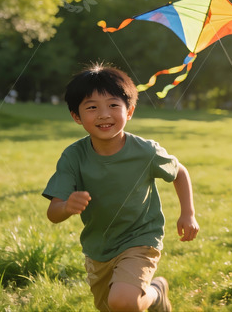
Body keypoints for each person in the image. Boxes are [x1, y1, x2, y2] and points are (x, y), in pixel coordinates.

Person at [42, 63, 199, 312]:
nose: (104, 114)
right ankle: (156, 294)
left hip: (141, 237)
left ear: (130, 111)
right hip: (98, 247)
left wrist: (188, 213)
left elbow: (179, 172)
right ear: (76, 116)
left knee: (123, 301)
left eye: (114, 105)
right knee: (116, 306)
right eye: (92, 107)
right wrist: (67, 206)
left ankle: (154, 293)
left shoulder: (145, 151)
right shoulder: (73, 157)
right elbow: (53, 213)